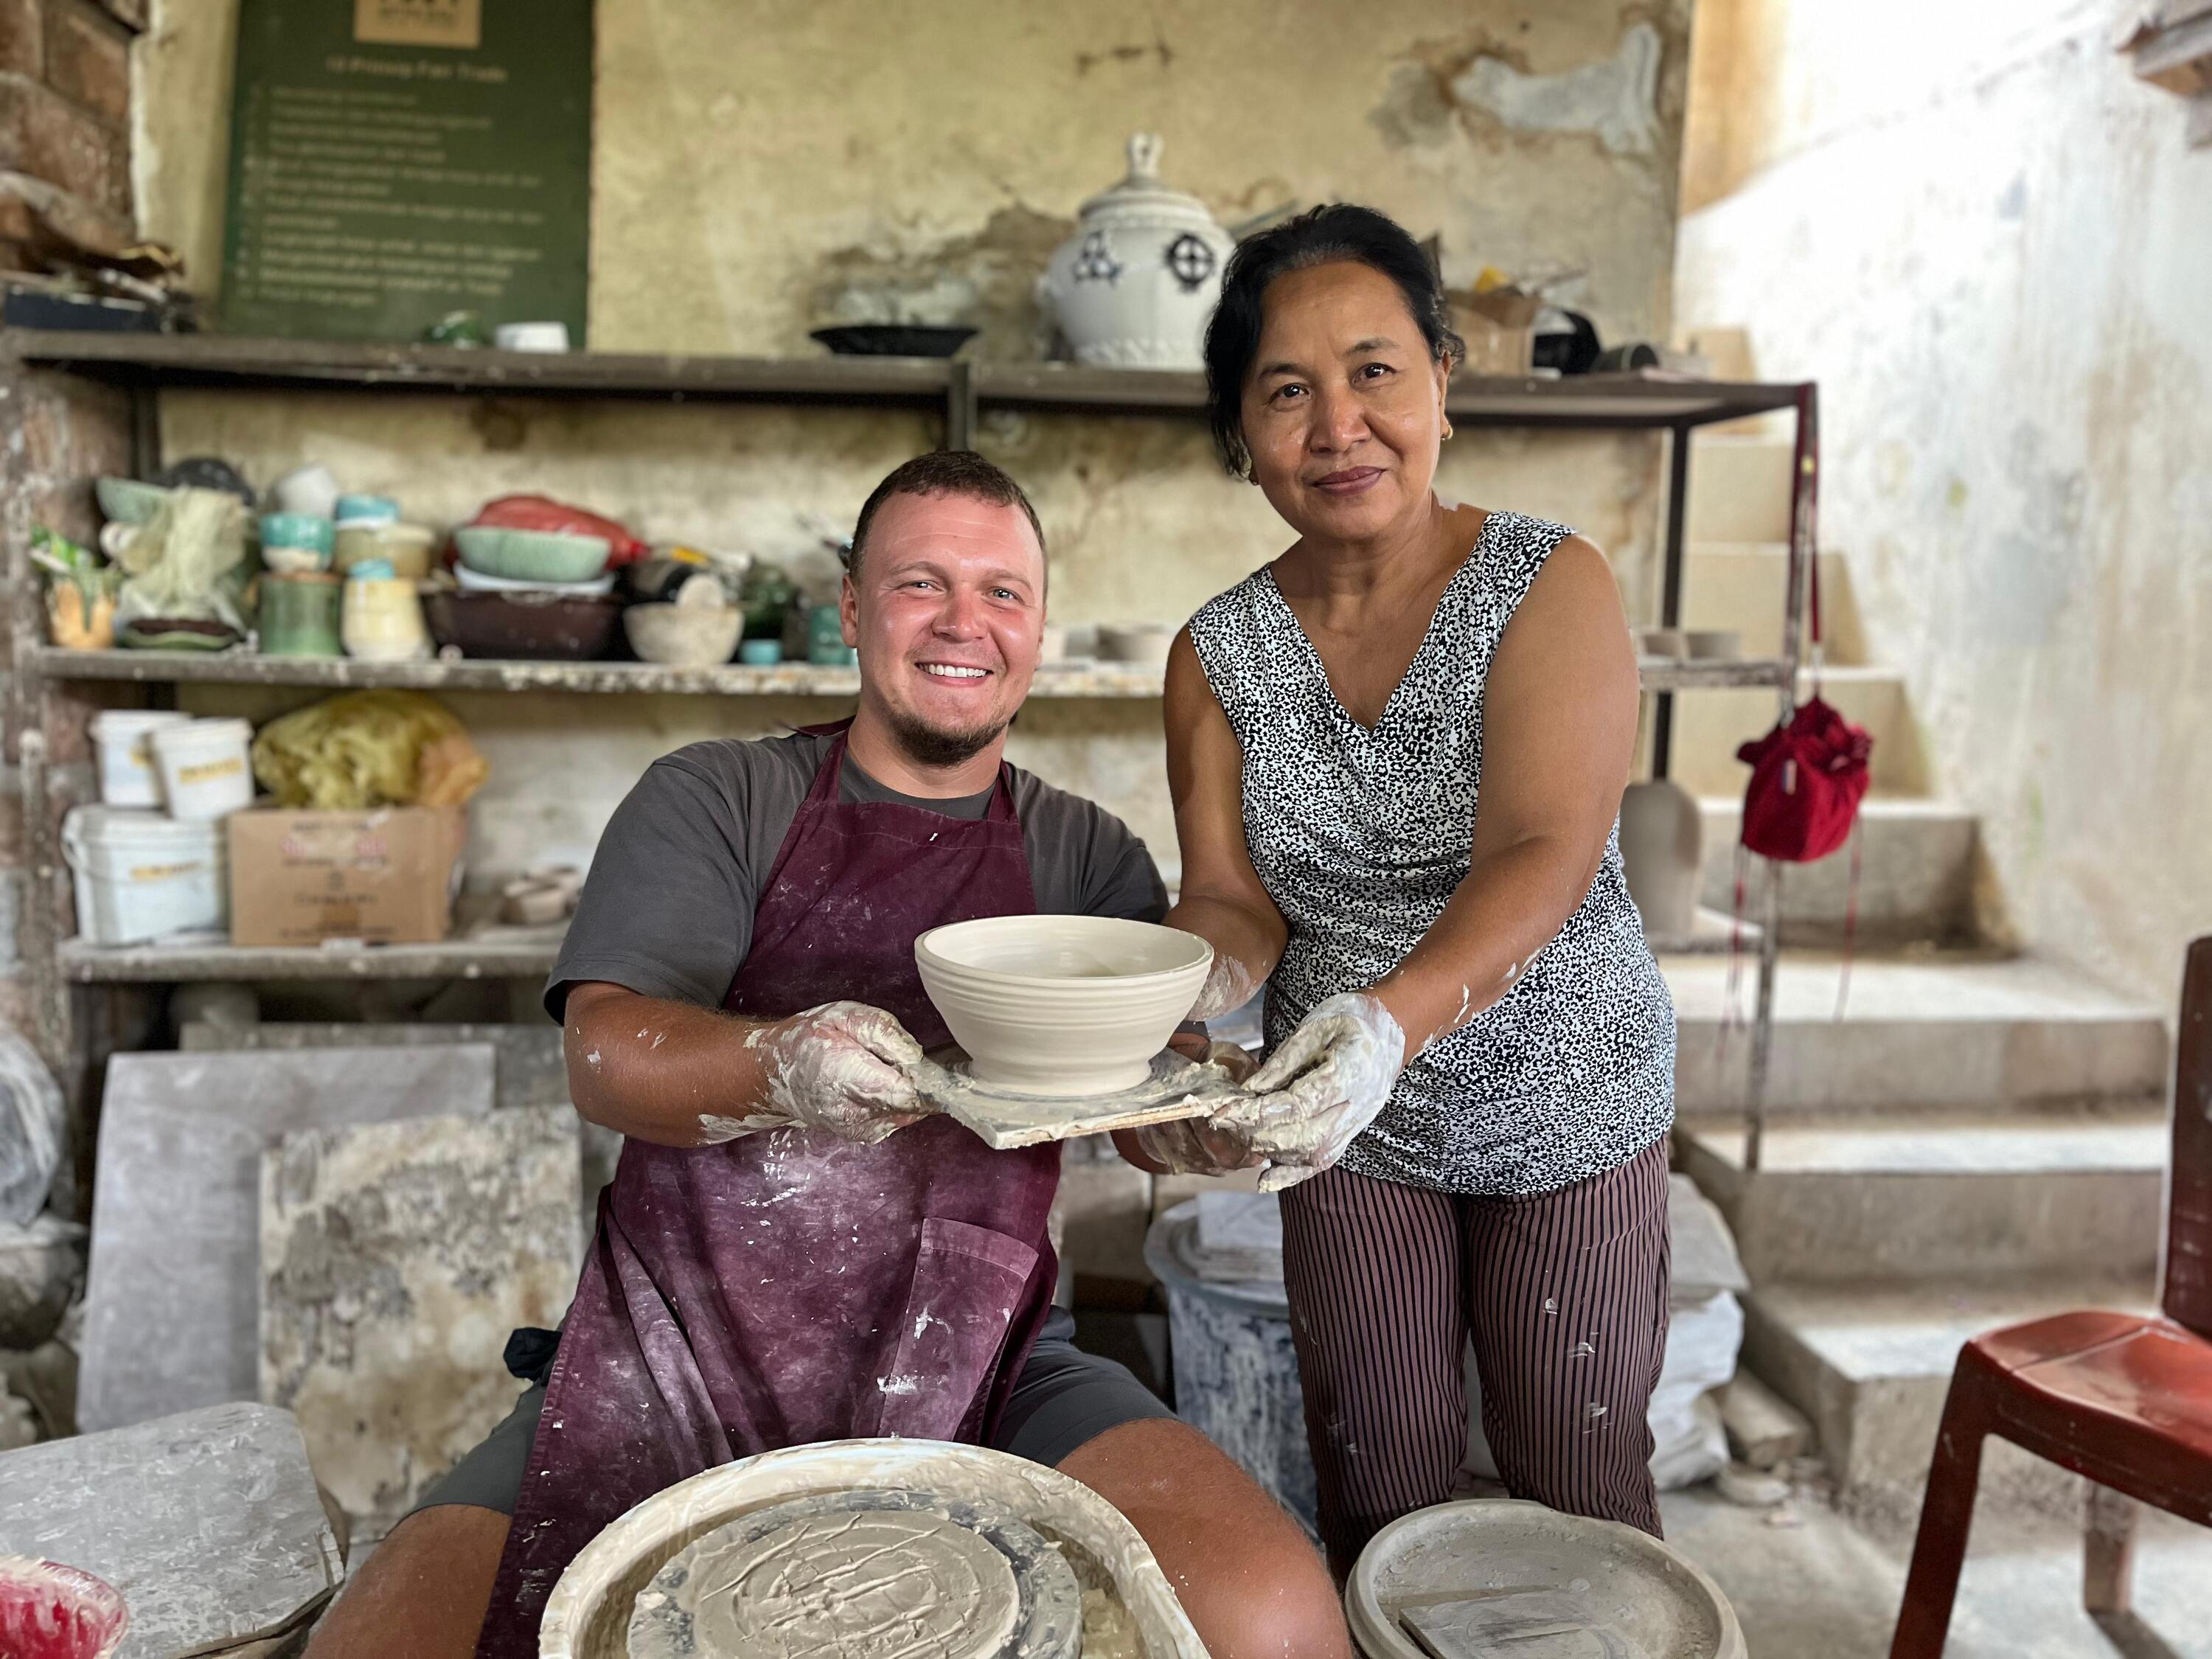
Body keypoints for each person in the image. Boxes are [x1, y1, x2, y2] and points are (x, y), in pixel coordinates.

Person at [307, 451, 1347, 1659]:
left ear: (1040, 628)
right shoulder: (719, 797)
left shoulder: (1084, 856)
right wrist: (782, 1066)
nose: (967, 623)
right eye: (922, 584)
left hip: (986, 1358)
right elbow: (604, 1053)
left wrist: (1193, 1124)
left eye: (1004, 593)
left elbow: (1126, 1095)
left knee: (1272, 1618)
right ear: (853, 606)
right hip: (678, 1349)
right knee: (379, 1649)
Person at [1129, 205, 1679, 1575]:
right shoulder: (1218, 652)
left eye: (1375, 370)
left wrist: (1386, 1023)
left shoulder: (1549, 584)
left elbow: (1542, 851)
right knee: (1378, 1476)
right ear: (1241, 437)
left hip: (1566, 1085)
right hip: (1342, 1117)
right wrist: (1173, 1006)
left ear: (1442, 381)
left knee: (1577, 1474)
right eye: (1287, 391)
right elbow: (1232, 899)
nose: (1339, 425)